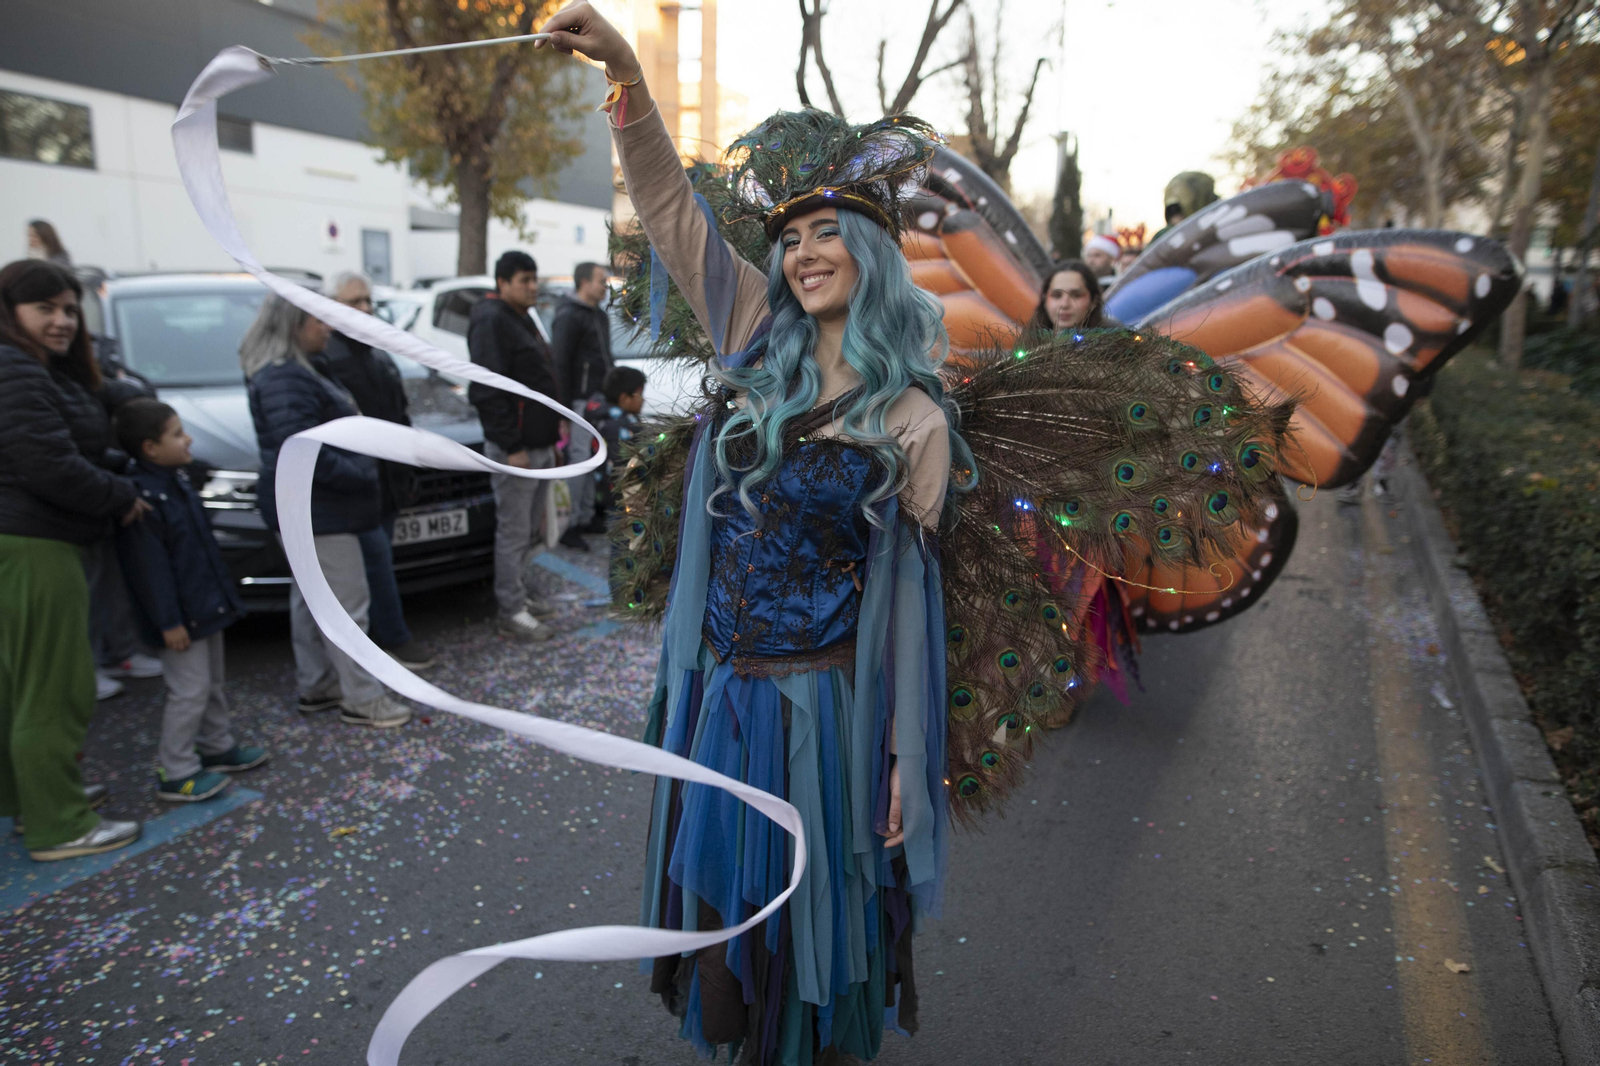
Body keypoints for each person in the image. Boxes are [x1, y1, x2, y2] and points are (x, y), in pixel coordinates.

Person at [538, 7, 966, 1059]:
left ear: (869, 251)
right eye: (790, 238)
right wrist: (630, 71)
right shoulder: (749, 336)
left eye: (828, 233)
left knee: (807, 931)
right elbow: (670, 208)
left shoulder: (914, 419)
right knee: (728, 929)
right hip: (723, 695)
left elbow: (909, 607)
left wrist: (909, 759)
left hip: (819, 711)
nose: (805, 252)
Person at [0, 259, 143, 861]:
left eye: (68, 308)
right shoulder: (15, 371)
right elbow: (49, 465)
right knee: (53, 690)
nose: (61, 321)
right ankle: (60, 824)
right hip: (35, 543)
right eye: (45, 309)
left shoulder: (34, 369)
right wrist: (122, 497)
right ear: (11, 312)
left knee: (21, 688)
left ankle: (32, 804)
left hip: (25, 540)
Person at [242, 292, 411, 728]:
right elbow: (299, 448)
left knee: (311, 599)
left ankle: (318, 685)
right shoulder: (286, 379)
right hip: (322, 510)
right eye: (318, 320)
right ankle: (362, 697)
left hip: (314, 507)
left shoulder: (300, 371)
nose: (328, 328)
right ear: (293, 325)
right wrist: (359, 471)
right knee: (346, 604)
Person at [113, 399, 267, 801]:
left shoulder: (176, 482)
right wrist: (168, 622)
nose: (189, 438)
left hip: (203, 607)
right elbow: (152, 571)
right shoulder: (145, 499)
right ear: (150, 447)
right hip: (181, 618)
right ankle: (176, 767)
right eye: (178, 433)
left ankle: (217, 746)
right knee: (189, 690)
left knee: (211, 683)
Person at [321, 270, 437, 672]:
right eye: (355, 302)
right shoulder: (329, 361)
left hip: (386, 479)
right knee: (369, 566)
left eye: (368, 300)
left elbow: (398, 417)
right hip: (354, 484)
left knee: (380, 560)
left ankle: (386, 638)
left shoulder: (377, 354)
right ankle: (387, 640)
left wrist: (407, 469)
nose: (366, 309)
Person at [467, 251, 563, 642]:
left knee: (528, 529)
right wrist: (511, 445)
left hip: (536, 442)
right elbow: (487, 389)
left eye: (534, 278)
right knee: (513, 530)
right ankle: (511, 609)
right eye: (524, 279)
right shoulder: (491, 320)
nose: (533, 286)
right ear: (502, 282)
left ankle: (519, 595)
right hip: (516, 447)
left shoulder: (519, 317)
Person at [550, 261, 614, 549]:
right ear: (584, 282)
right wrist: (562, 409)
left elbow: (605, 355)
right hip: (577, 400)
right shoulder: (568, 316)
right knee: (579, 460)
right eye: (601, 281)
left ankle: (587, 516)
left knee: (593, 458)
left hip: (598, 398)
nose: (606, 286)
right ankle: (569, 525)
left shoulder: (599, 316)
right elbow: (560, 364)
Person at [582, 364, 646, 526]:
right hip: (625, 495)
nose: (643, 399)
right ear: (625, 398)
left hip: (610, 493)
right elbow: (623, 460)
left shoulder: (606, 420)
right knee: (624, 538)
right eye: (639, 394)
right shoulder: (621, 425)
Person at [1027, 259, 1115, 332]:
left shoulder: (1115, 344)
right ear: (1044, 298)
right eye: (1057, 296)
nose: (1064, 305)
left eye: (1076, 296)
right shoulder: (1026, 347)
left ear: (1094, 301)